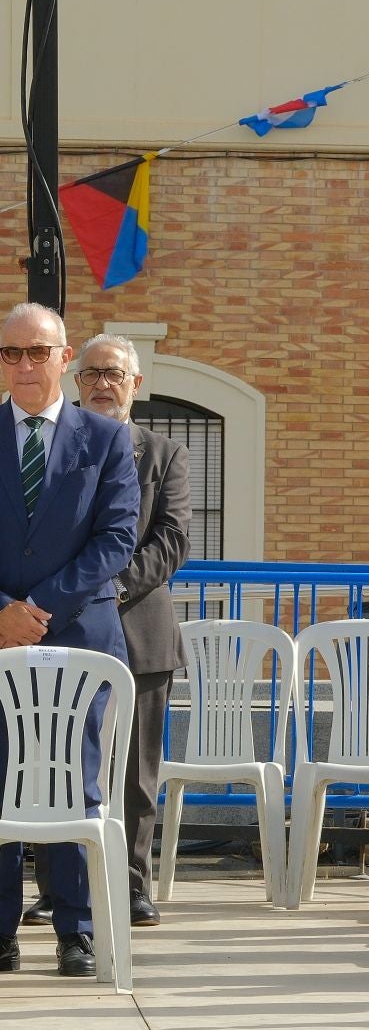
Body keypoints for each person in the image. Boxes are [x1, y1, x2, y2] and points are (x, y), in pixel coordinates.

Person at [0, 304, 139, 980]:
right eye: (12, 353)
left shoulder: (107, 440)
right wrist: (2, 614)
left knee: (74, 780)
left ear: (64, 359)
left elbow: (116, 539)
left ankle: (75, 931)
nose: (25, 365)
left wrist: (36, 609)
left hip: (79, 640)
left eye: (38, 352)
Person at [76, 333, 191, 929]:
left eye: (114, 374)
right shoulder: (58, 448)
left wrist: (109, 591)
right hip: (63, 632)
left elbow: (171, 539)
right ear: (76, 383)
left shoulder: (163, 453)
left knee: (135, 774)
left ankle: (131, 883)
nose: (102, 383)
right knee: (64, 765)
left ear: (135, 386)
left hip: (139, 629)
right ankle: (64, 887)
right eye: (91, 372)